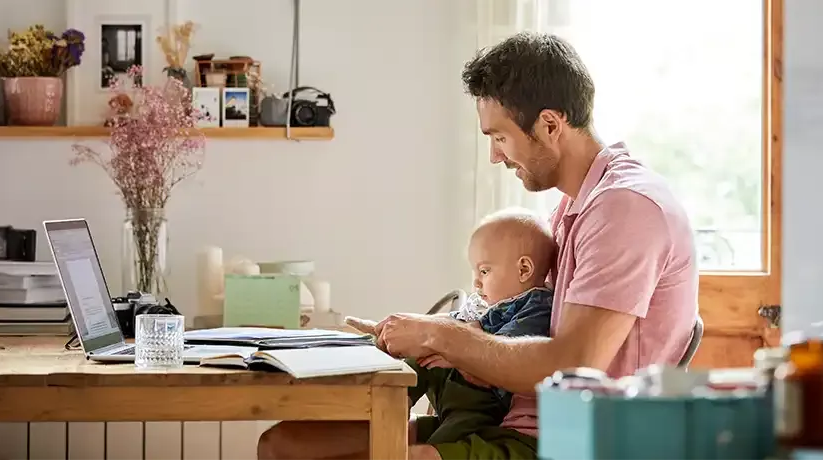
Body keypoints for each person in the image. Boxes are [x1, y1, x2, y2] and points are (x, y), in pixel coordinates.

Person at [257, 31, 699, 460]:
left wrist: (441, 335)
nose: (494, 156)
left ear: (549, 124)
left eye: (499, 137)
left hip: (566, 440)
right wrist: (429, 337)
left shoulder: (624, 208)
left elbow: (571, 365)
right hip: (513, 419)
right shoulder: (574, 208)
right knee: (284, 446)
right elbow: (523, 327)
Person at [404, 208, 555, 451]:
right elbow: (453, 322)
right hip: (459, 382)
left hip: (484, 399)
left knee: (450, 437)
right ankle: (399, 399)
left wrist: (457, 346)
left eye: (484, 271)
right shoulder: (490, 302)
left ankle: (436, 446)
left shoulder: (536, 307)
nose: (476, 281)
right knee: (421, 352)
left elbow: (504, 353)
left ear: (524, 269)